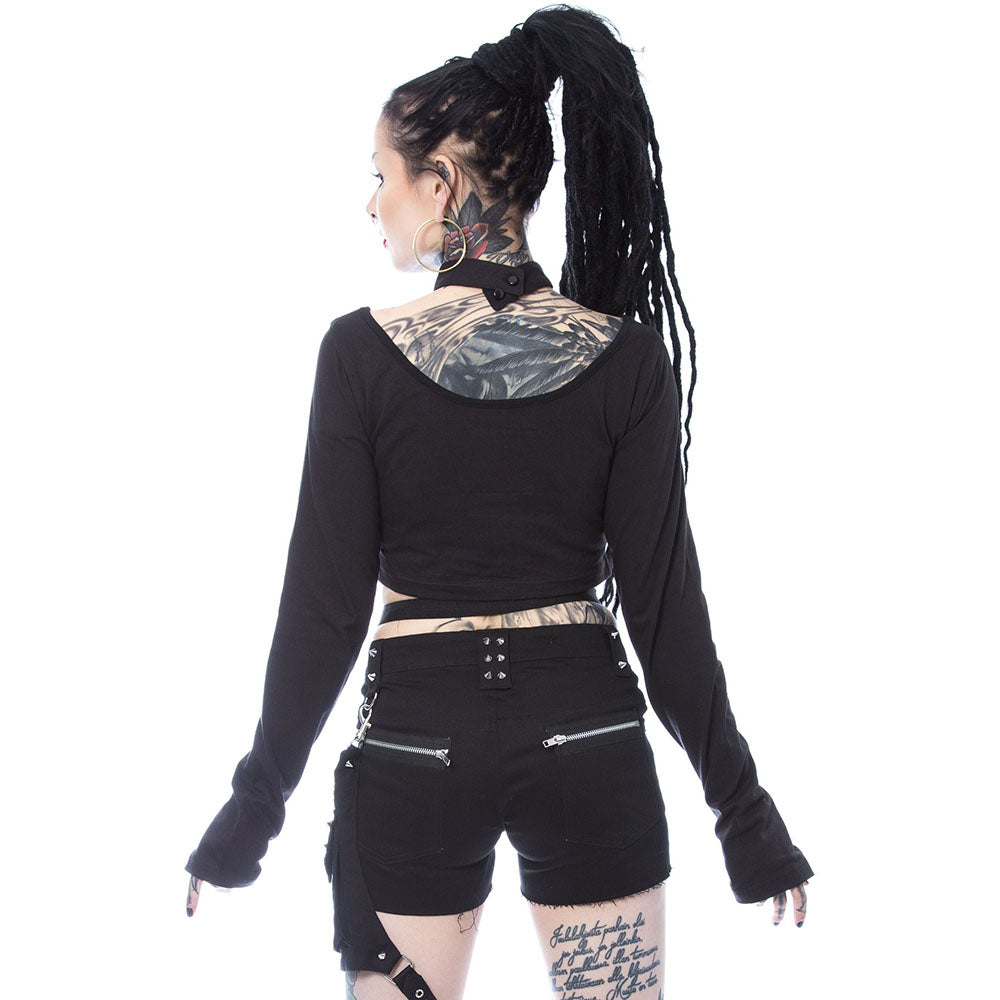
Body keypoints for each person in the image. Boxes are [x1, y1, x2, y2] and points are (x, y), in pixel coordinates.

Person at [183, 6, 813, 999]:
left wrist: (254, 806)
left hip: (416, 742)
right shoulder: (624, 358)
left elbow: (326, 608)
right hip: (587, 735)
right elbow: (662, 612)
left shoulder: (359, 355)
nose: (373, 204)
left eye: (382, 175)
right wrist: (743, 811)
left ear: (440, 185)